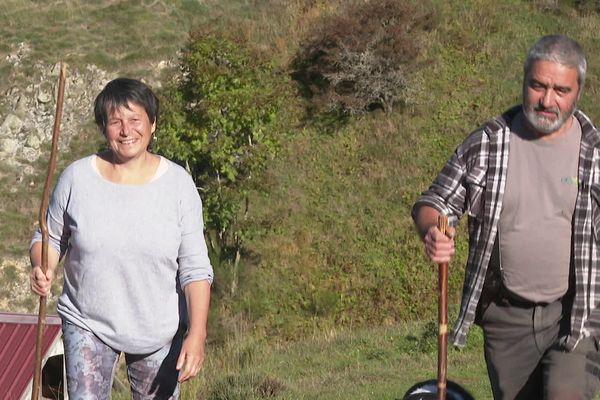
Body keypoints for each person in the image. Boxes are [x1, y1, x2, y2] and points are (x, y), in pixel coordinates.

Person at [412, 34, 600, 399]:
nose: (547, 100)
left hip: (574, 316)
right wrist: (432, 231)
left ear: (578, 92)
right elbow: (434, 201)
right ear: (524, 81)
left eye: (561, 90)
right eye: (538, 86)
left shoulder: (595, 154)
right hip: (506, 318)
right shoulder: (488, 144)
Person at [29, 77, 213, 399]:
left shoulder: (178, 187)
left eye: (135, 120)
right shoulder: (77, 179)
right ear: (104, 128)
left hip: (158, 330)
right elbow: (49, 237)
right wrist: (42, 265)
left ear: (152, 124)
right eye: (115, 122)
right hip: (88, 320)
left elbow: (195, 269)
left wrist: (196, 334)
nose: (126, 131)